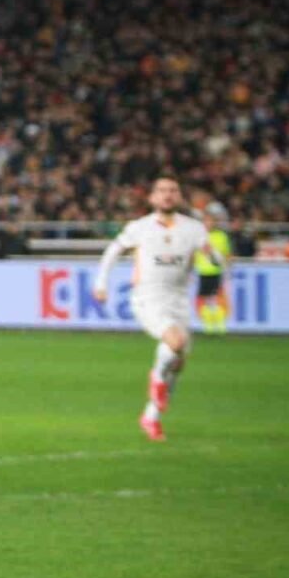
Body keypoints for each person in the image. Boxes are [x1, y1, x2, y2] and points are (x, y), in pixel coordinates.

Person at [95, 177, 227, 441]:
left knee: (178, 362)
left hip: (179, 299)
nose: (167, 195)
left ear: (179, 197)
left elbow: (216, 259)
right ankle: (155, 378)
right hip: (148, 296)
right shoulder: (139, 227)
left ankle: (151, 417)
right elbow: (113, 251)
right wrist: (101, 283)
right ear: (152, 198)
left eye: (173, 191)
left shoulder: (194, 229)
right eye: (162, 191)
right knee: (175, 342)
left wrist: (214, 256)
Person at [194, 203, 232, 334]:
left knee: (216, 298)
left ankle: (220, 325)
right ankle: (208, 325)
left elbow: (226, 254)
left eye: (210, 221)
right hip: (203, 272)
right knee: (203, 299)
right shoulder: (198, 236)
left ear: (214, 222)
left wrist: (227, 267)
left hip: (216, 271)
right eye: (206, 221)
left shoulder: (221, 236)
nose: (208, 223)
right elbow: (194, 254)